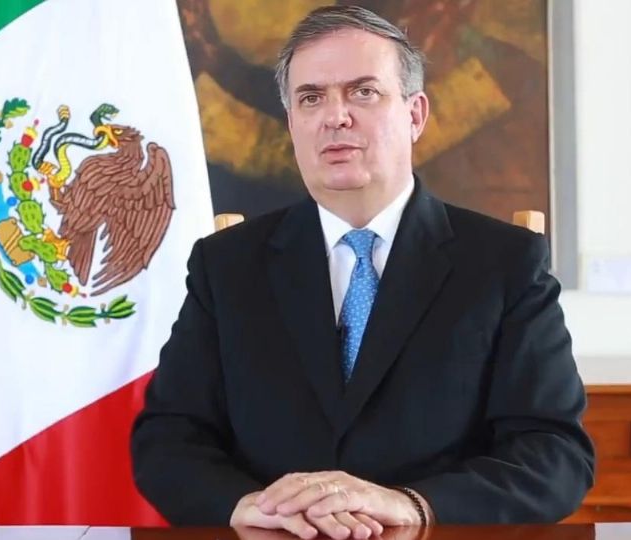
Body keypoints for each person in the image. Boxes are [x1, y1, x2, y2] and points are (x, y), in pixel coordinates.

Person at [131, 5, 594, 538]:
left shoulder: (504, 264)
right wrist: (242, 504)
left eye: (363, 92)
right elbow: (168, 437)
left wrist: (413, 505)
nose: (335, 116)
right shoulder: (226, 265)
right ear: (292, 122)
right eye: (311, 97)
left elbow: (554, 456)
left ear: (416, 114)